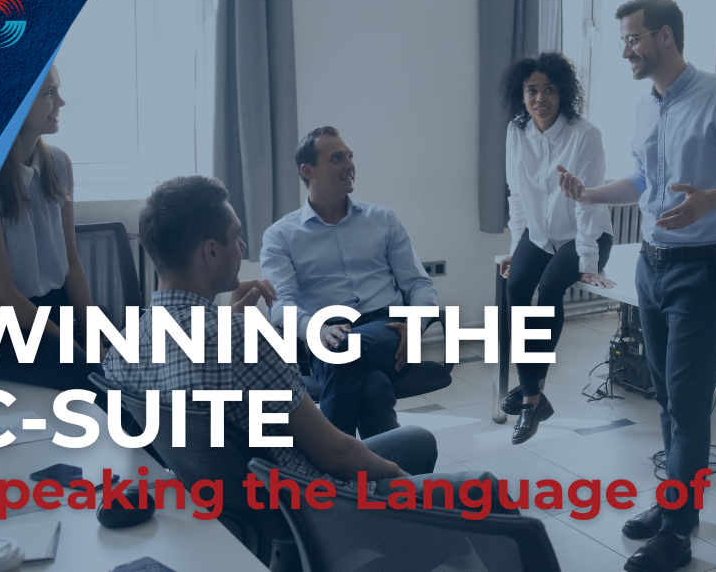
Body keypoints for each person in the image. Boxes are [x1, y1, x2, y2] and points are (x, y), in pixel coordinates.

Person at [103, 176, 512, 520]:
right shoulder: (243, 339)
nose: (242, 248)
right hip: (318, 510)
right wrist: (409, 490)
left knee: (416, 439)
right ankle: (417, 533)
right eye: (236, 238)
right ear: (211, 251)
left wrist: (229, 321)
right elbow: (336, 453)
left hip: (240, 512)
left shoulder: (123, 347)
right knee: (483, 489)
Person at [558, 0, 716, 572]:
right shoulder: (645, 107)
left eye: (633, 39)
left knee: (687, 401)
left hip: (701, 267)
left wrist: (713, 200)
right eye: (623, 41)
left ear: (665, 37)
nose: (626, 51)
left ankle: (678, 532)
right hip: (651, 266)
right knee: (666, 397)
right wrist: (590, 194)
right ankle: (676, 501)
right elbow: (640, 179)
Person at [260, 126, 436, 439]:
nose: (350, 165)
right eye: (337, 158)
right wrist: (317, 330)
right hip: (327, 336)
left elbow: (419, 284)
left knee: (342, 352)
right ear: (308, 171)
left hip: (388, 331)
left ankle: (327, 459)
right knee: (373, 386)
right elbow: (281, 304)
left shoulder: (383, 219)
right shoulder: (280, 235)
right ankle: (384, 466)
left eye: (350, 156)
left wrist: (415, 324)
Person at [0, 64, 103, 391]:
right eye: (48, 93)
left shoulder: (59, 163)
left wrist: (94, 337)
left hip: (53, 313)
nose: (61, 102)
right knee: (100, 381)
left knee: (123, 367)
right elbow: (2, 296)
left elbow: (71, 260)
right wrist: (74, 348)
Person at [497, 52, 615, 444]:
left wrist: (588, 260)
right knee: (515, 287)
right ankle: (532, 391)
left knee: (548, 289)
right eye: (531, 90)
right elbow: (516, 194)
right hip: (539, 235)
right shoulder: (517, 131)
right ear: (521, 95)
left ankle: (530, 399)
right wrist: (517, 246)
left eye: (549, 89)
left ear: (562, 92)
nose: (540, 98)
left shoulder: (585, 135)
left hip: (586, 233)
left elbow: (587, 204)